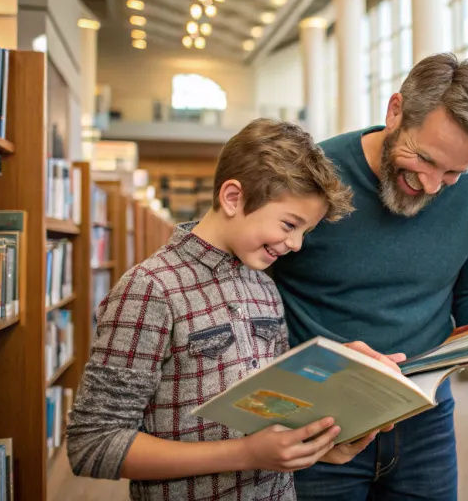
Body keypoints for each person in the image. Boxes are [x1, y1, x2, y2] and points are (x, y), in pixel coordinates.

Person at [66, 119, 404, 501]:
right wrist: (245, 454)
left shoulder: (264, 287)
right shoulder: (149, 289)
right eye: (289, 224)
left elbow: (270, 413)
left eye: (304, 232)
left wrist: (318, 441)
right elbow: (92, 444)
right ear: (232, 197)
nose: (295, 244)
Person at [271, 53, 468, 501]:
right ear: (395, 111)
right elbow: (252, 290)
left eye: (452, 172)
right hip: (317, 413)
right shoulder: (314, 175)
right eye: (425, 159)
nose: (431, 186)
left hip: (423, 413)